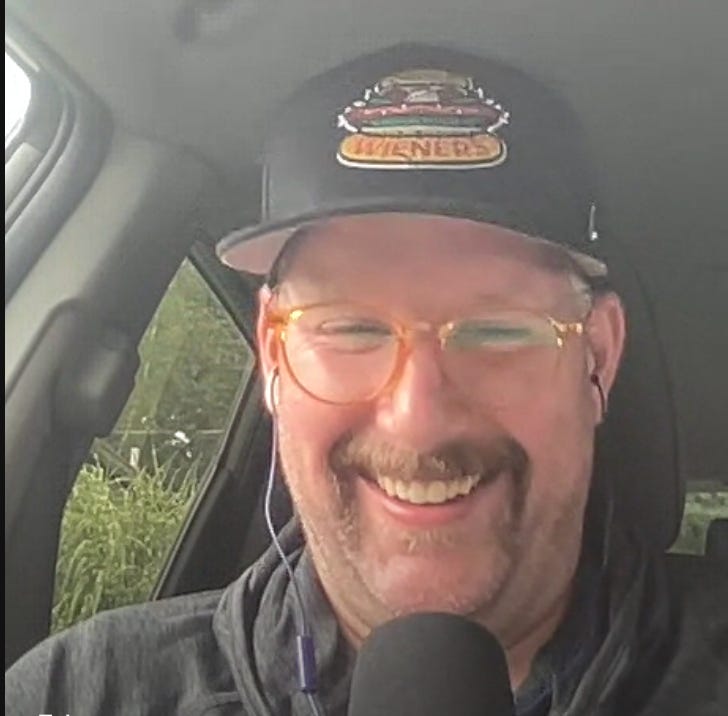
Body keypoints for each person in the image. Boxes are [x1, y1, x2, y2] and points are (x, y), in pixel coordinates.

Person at [6, 44, 727, 716]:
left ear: (597, 357)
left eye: (498, 330)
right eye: (350, 328)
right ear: (274, 357)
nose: (418, 419)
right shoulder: (83, 693)